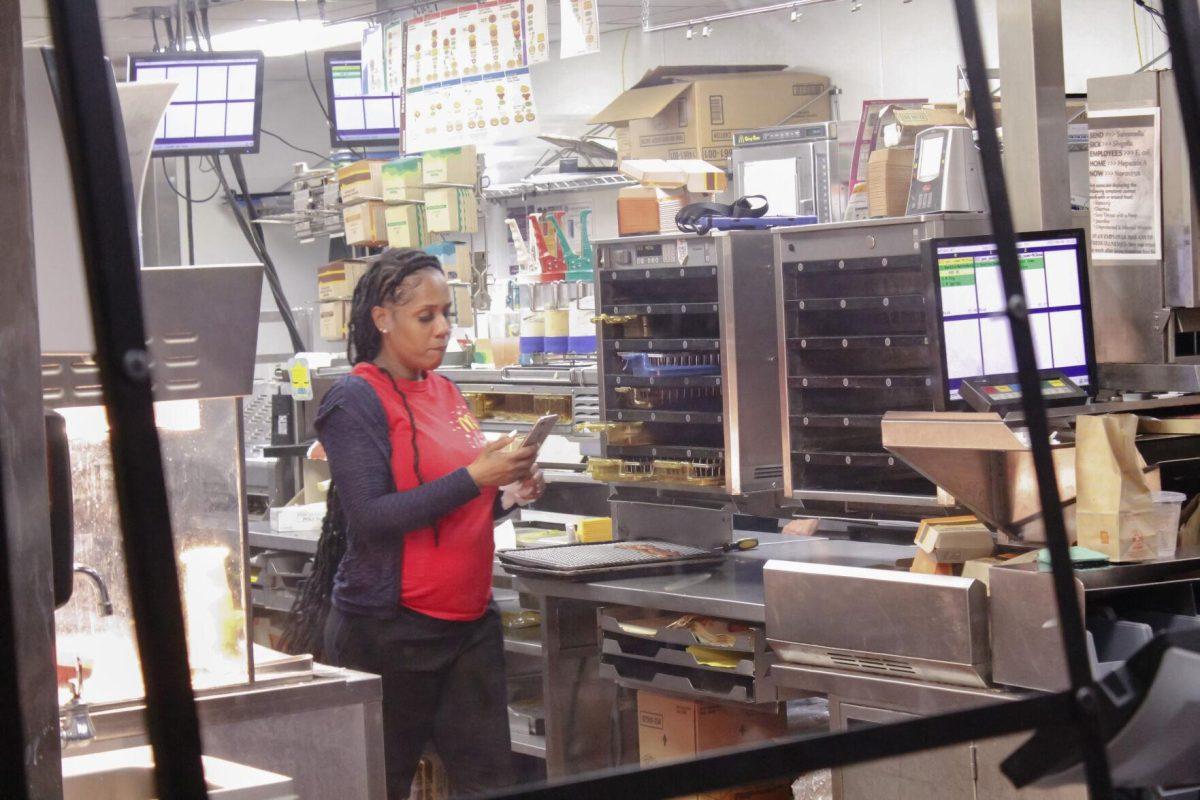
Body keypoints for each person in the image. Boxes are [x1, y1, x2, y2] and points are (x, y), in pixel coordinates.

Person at [287, 248, 544, 799]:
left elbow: (457, 506)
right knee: (379, 785)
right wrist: (477, 477)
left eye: (447, 313)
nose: (443, 328)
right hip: (389, 631)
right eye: (426, 316)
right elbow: (373, 517)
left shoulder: (446, 391)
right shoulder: (354, 400)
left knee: (491, 784)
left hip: (468, 625)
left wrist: (507, 493)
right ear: (383, 319)